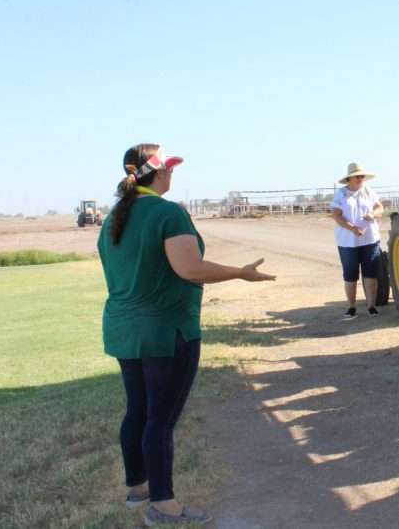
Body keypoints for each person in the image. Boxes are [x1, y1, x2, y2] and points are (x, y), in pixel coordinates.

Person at [99, 144, 275, 526]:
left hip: (125, 329)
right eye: (170, 168)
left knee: (139, 410)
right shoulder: (166, 213)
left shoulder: (115, 216)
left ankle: (138, 488)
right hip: (166, 331)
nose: (173, 173)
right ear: (158, 173)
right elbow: (190, 269)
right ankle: (163, 505)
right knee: (160, 420)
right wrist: (240, 272)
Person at [331, 162, 384, 318]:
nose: (361, 178)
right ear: (350, 178)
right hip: (348, 242)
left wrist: (373, 214)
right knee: (350, 275)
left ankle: (371, 307)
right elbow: (336, 215)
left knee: (371, 274)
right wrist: (352, 228)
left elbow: (380, 207)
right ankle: (352, 307)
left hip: (370, 240)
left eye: (362, 176)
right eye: (357, 176)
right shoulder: (341, 194)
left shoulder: (368, 191)